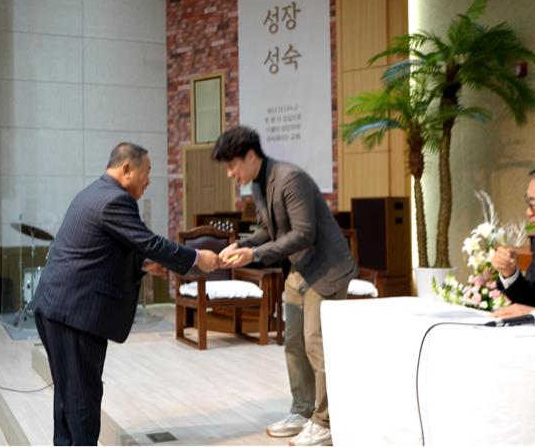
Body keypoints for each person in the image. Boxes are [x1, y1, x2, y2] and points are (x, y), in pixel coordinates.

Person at [32, 142, 220, 445]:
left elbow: (102, 251)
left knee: (69, 394)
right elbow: (150, 242)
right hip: (74, 312)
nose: (148, 181)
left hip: (56, 306)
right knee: (82, 398)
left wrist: (143, 264)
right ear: (127, 169)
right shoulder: (116, 200)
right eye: (147, 172)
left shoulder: (92, 192)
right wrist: (197, 258)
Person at [212, 126, 357, 446]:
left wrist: (254, 255)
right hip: (298, 270)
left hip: (326, 270)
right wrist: (242, 245)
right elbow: (269, 229)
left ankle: (326, 421)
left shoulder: (290, 178)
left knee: (316, 343)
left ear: (251, 156)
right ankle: (303, 410)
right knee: (293, 343)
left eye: (232, 165)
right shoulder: (258, 184)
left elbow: (303, 233)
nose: (230, 173)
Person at [491, 164, 535, 322]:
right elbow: (532, 303)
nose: (528, 212)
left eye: (534, 204)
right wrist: (510, 273)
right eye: (527, 203)